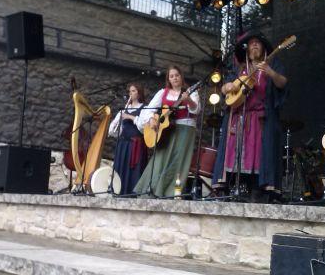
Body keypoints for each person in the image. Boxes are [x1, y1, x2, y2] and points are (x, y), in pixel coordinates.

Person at [211, 32, 287, 203]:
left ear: (263, 48)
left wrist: (270, 72)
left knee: (258, 155)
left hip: (260, 120)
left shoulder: (272, 64)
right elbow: (224, 88)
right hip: (238, 118)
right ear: (247, 50)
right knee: (234, 154)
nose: (254, 45)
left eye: (257, 43)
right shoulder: (239, 68)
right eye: (251, 44)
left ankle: (256, 190)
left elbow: (283, 83)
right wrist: (227, 87)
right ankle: (233, 188)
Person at [133, 66, 200, 197]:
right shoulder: (163, 92)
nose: (175, 78)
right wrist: (152, 119)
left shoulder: (191, 92)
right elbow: (148, 110)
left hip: (185, 130)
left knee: (178, 161)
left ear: (181, 76)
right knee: (160, 159)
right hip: (167, 131)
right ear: (168, 79)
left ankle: (171, 193)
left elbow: (196, 110)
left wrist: (189, 100)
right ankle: (150, 190)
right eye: (171, 76)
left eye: (177, 75)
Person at [108, 83, 148, 195]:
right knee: (120, 168)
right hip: (123, 144)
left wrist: (130, 117)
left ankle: (132, 194)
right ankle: (118, 191)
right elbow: (113, 130)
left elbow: (143, 127)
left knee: (134, 171)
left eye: (134, 91)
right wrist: (117, 123)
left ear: (139, 93)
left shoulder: (145, 108)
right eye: (130, 91)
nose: (131, 93)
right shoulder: (124, 109)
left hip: (136, 145)